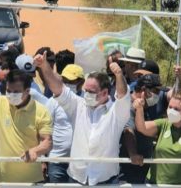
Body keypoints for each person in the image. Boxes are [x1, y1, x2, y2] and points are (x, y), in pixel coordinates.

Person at [34, 52, 131, 186]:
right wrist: (44, 66)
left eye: (91, 92)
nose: (86, 94)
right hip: (76, 179)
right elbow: (58, 88)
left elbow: (123, 96)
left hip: (105, 181)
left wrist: (119, 75)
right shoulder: (78, 105)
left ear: (104, 93)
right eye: (86, 90)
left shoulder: (116, 113)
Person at [134, 91, 181, 185]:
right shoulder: (163, 124)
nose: (171, 111)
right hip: (154, 183)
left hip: (180, 185)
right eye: (170, 107)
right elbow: (141, 128)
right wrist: (139, 109)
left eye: (176, 109)